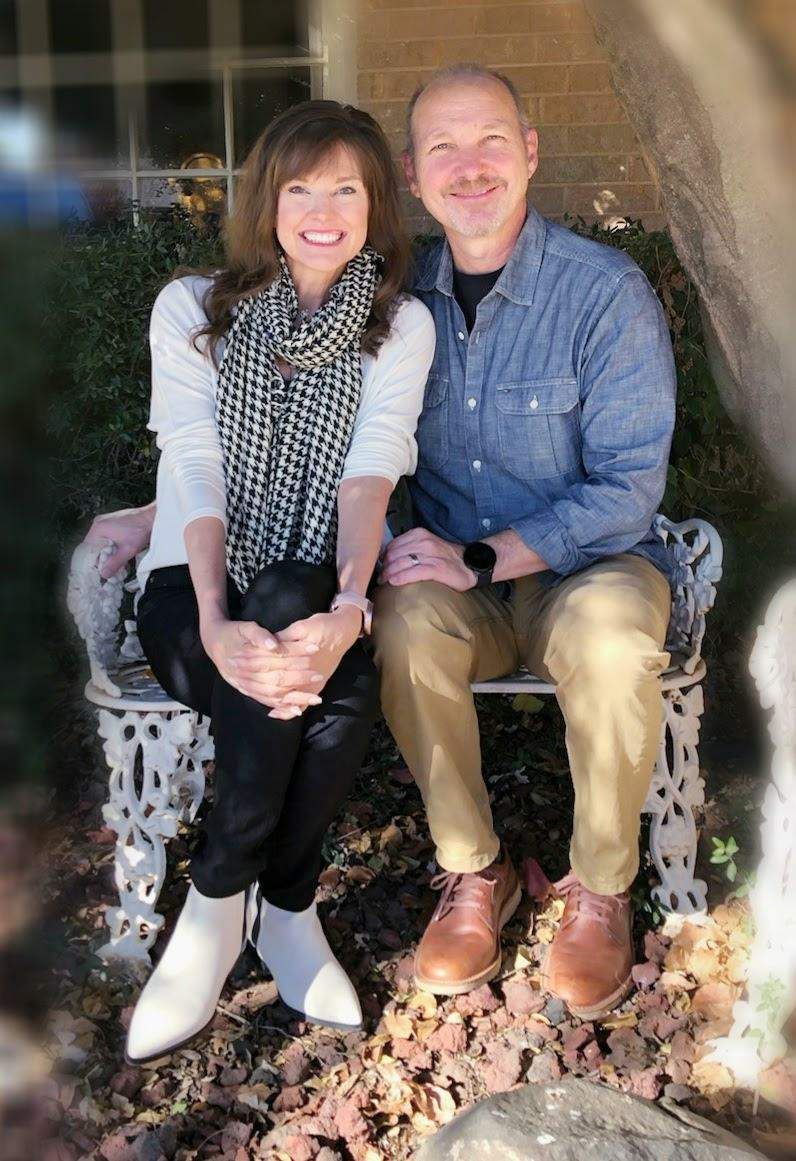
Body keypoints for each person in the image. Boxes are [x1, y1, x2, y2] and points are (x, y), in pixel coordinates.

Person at [86, 64, 677, 1023]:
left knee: (594, 635)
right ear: (414, 173)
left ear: (530, 152)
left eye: (492, 139)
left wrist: (453, 566)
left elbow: (622, 486)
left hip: (578, 562)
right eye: (443, 145)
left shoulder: (581, 294)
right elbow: (225, 454)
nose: (471, 166)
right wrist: (166, 523)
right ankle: (440, 878)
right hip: (394, 574)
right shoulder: (385, 299)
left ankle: (597, 889)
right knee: (380, 633)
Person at [103, 100, 435, 1064]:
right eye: (301, 187)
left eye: (348, 188)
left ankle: (223, 902)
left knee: (308, 619)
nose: (324, 209)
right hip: (188, 591)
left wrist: (345, 606)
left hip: (310, 586)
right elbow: (194, 463)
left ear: (377, 204)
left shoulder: (397, 324)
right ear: (267, 199)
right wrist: (211, 619)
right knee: (326, 687)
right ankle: (280, 904)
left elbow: (377, 463)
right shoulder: (193, 308)